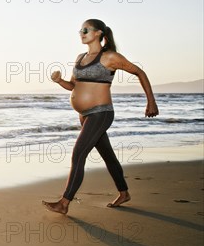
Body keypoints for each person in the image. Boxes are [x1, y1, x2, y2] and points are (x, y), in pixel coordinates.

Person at [42, 19, 159, 215]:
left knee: (78, 153)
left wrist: (151, 102)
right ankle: (124, 193)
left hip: (101, 113)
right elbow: (74, 86)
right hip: (84, 115)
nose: (81, 33)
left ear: (98, 33)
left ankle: (64, 202)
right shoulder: (80, 58)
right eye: (80, 30)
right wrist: (59, 80)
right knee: (108, 155)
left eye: (85, 29)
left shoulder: (110, 56)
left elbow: (140, 72)